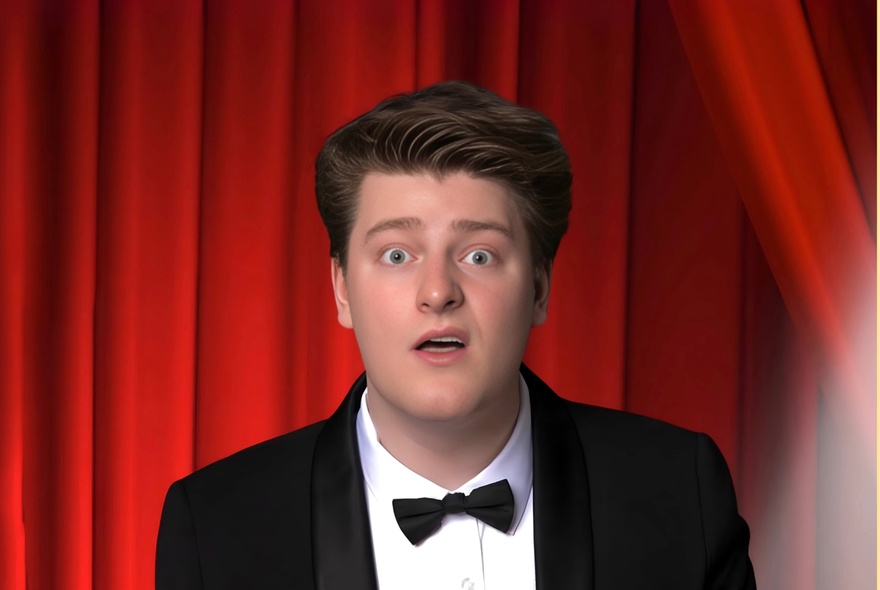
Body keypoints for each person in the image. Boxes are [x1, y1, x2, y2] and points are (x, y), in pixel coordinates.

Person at [156, 81, 756, 590]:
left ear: (541, 288)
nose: (438, 291)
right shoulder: (215, 527)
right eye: (396, 254)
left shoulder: (680, 492)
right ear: (342, 288)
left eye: (479, 254)